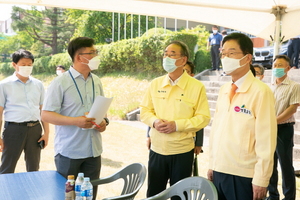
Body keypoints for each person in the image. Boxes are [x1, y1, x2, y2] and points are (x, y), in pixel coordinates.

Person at [207, 33, 277, 200]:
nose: (225, 57)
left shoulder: (261, 91)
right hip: (219, 170)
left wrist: (261, 178)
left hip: (243, 174)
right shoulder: (224, 89)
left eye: (231, 53)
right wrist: (212, 164)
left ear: (247, 58)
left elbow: (266, 140)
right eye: (223, 53)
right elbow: (216, 131)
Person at [140, 41, 210, 199]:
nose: (167, 57)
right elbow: (145, 111)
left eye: (172, 54)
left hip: (182, 152)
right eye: (165, 53)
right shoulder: (155, 83)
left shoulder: (196, 87)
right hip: (157, 150)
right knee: (154, 194)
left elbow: (203, 118)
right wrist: (155, 122)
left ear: (183, 60)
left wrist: (177, 125)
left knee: (180, 196)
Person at [41, 37, 108, 200]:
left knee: (89, 196)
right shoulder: (60, 82)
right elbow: (46, 114)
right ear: (79, 57)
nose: (96, 56)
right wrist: (75, 121)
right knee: (68, 197)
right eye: (92, 53)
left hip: (93, 151)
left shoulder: (96, 81)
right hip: (69, 152)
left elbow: (102, 112)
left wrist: (104, 123)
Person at [0, 49, 49, 174]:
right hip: (14, 130)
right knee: (7, 167)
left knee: (34, 168)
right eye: (23, 65)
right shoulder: (4, 85)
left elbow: (43, 109)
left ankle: (32, 193)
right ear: (14, 65)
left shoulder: (38, 84)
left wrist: (46, 132)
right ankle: (5, 193)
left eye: (29, 65)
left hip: (35, 129)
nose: (27, 67)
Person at [145, 60, 204, 155]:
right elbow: (152, 112)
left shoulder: (197, 88)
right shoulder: (158, 84)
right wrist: (149, 135)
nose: (183, 73)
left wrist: (198, 143)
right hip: (158, 145)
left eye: (186, 71)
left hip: (183, 146)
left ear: (192, 75)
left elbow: (201, 120)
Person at [267, 55, 300, 200]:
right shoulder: (269, 87)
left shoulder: (294, 86)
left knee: (285, 164)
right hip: (268, 129)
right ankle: (273, 195)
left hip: (284, 129)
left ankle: (289, 197)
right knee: (270, 164)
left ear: (287, 68)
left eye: (279, 65)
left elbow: (292, 108)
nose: (276, 68)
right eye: (274, 65)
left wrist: (274, 121)